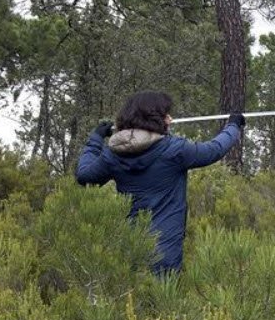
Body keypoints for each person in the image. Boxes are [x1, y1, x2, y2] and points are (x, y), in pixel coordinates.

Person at [75, 91, 245, 274]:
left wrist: (96, 138)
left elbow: (84, 176)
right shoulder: (174, 150)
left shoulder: (112, 155)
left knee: (131, 301)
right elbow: (215, 150)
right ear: (155, 119)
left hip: (131, 251)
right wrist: (234, 125)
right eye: (166, 115)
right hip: (166, 254)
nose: (170, 119)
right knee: (162, 301)